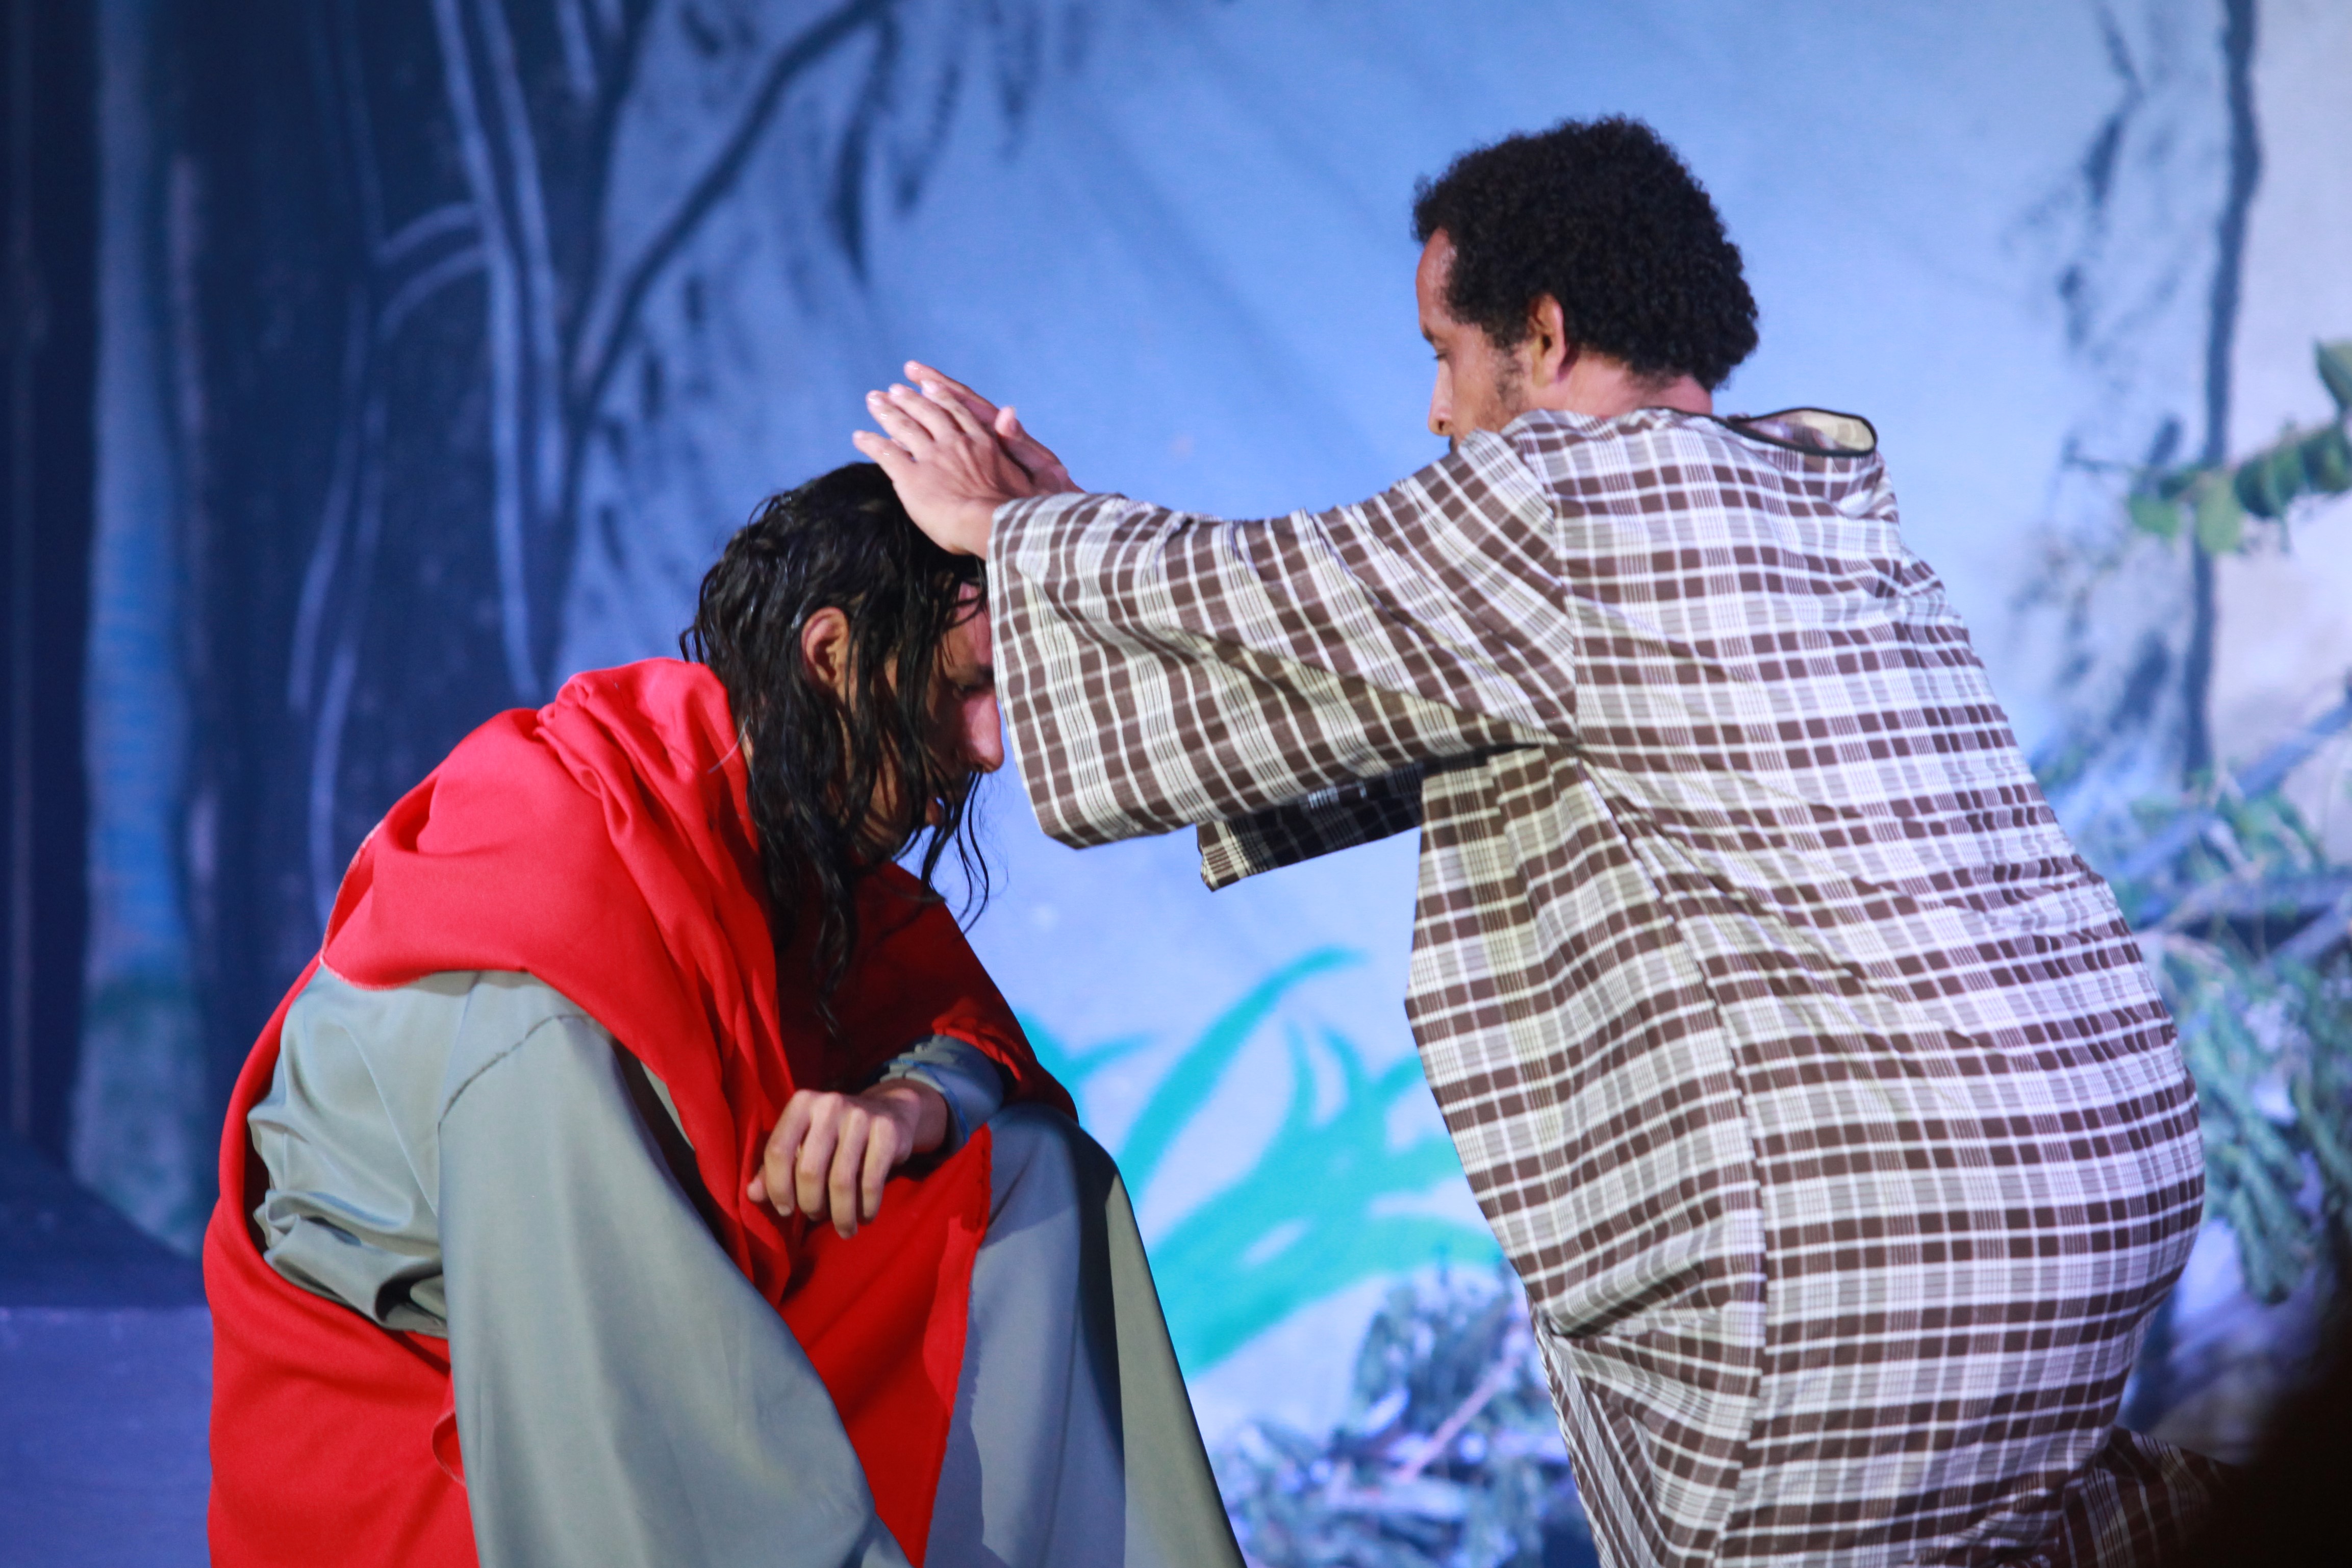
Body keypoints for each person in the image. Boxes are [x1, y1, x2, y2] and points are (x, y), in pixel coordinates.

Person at [853, 118, 2223, 1567]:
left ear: (1546, 335)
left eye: (1446, 353)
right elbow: (1354, 684)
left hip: (1876, 1261)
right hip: (2092, 1187)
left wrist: (1018, 534)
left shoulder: (1567, 494)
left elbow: (1280, 594)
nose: (1437, 412)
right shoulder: (1810, 498)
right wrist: (1069, 574)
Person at [201, 464, 1242, 1568]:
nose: (991, 745)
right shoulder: (550, 951)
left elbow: (963, 1030)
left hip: (655, 1355)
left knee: (1029, 1177)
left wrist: (911, 1101)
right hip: (443, 1449)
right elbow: (605, 1400)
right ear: (833, 655)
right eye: (966, 685)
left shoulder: (768, 836)